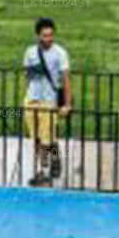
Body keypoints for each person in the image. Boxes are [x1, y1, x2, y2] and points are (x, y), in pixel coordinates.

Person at [23, 17, 72, 186]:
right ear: (38, 36)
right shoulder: (30, 52)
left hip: (49, 102)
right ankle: (55, 159)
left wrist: (67, 104)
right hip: (32, 100)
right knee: (38, 138)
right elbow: (27, 76)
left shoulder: (60, 53)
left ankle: (43, 172)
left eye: (51, 35)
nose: (48, 39)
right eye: (44, 36)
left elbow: (66, 79)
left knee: (45, 139)